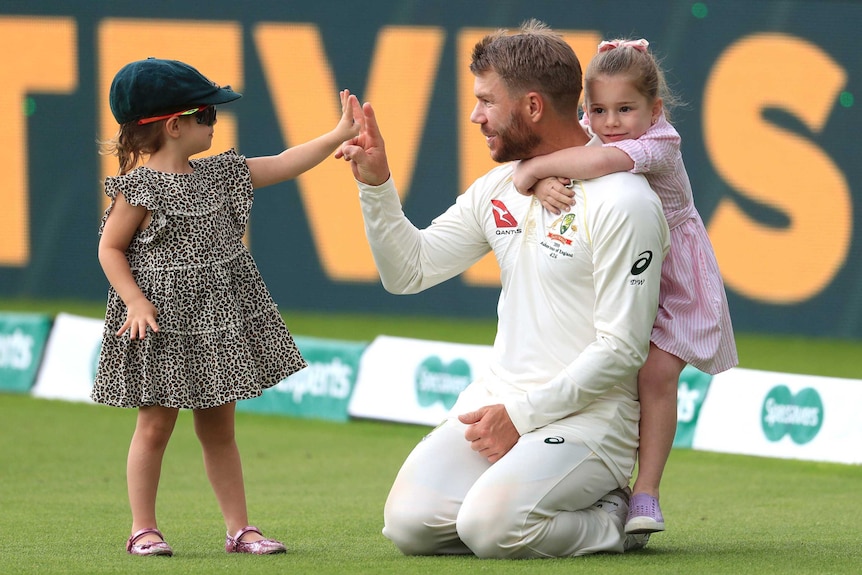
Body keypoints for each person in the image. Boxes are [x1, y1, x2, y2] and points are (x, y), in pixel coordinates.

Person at [339, 21, 670, 558]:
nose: (476, 116)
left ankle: (609, 515)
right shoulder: (502, 185)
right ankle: (526, 504)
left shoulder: (625, 201)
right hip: (499, 407)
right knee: (409, 527)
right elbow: (410, 272)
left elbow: (622, 350)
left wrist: (522, 417)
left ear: (533, 107)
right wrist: (375, 184)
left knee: (491, 529)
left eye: (487, 101)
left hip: (591, 423)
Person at [91, 57, 361, 556]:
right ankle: (142, 529)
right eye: (206, 114)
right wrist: (134, 301)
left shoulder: (221, 174)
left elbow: (283, 162)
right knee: (154, 426)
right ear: (174, 125)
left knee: (220, 428)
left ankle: (240, 529)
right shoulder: (139, 188)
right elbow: (110, 247)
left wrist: (335, 135)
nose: (215, 122)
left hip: (217, 324)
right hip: (162, 326)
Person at [512, 38, 738, 535]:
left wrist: (531, 171)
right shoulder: (592, 135)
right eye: (597, 109)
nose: (610, 122)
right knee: (607, 366)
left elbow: (594, 166)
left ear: (654, 110)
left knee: (655, 376)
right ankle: (600, 480)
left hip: (674, 279)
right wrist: (539, 182)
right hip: (625, 271)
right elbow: (559, 160)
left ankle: (646, 494)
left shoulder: (660, 142)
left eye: (625, 109)